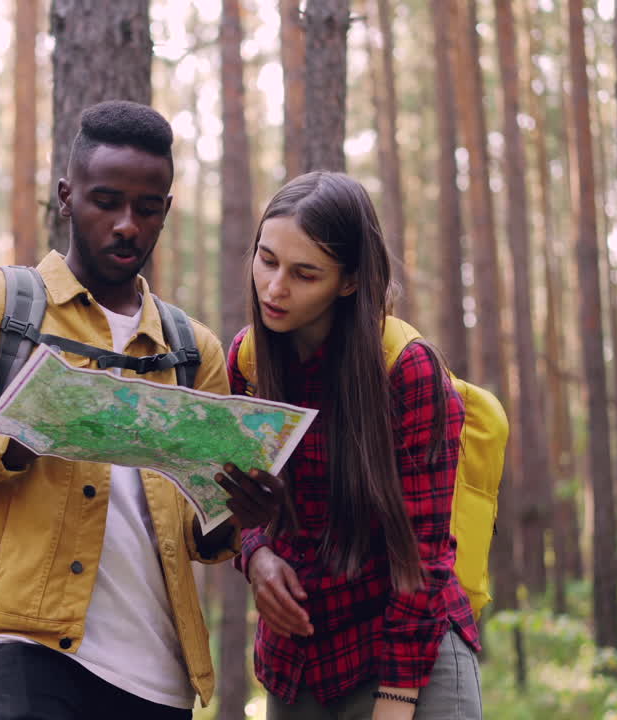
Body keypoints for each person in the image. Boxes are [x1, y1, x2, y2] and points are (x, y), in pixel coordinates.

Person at [0, 100, 283, 720]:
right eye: (106, 201)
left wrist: (242, 513)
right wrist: (19, 433)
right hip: (17, 644)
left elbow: (201, 533)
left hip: (156, 672)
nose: (126, 225)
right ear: (66, 197)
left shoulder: (193, 349)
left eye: (147, 207)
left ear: (167, 209)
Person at [227, 172, 482, 720]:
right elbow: (234, 497)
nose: (274, 288)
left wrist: (396, 700)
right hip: (298, 661)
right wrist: (257, 554)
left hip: (408, 650)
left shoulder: (407, 371)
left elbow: (424, 555)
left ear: (347, 282)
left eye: (304, 274)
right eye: (267, 261)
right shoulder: (246, 362)